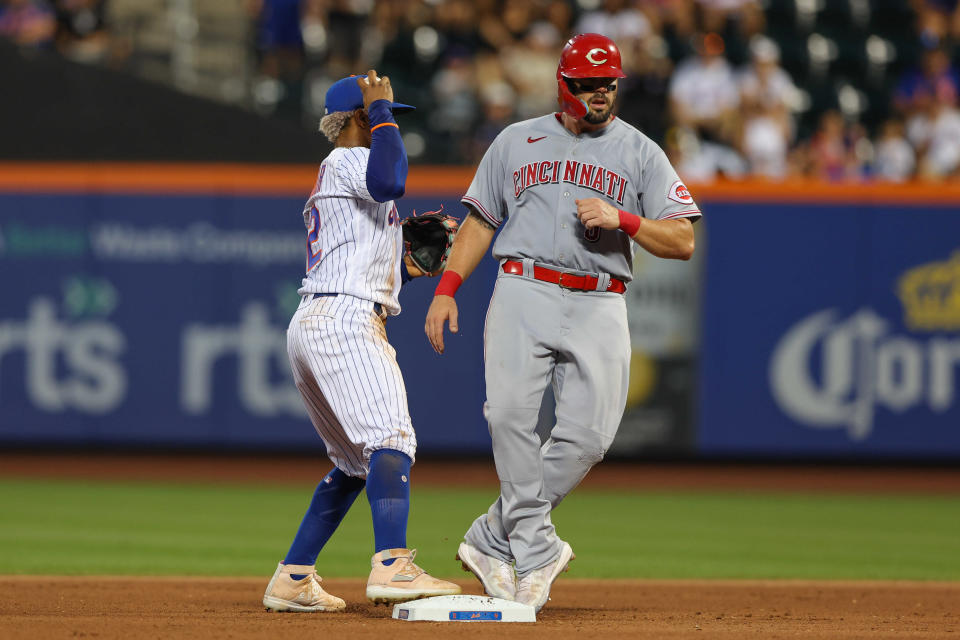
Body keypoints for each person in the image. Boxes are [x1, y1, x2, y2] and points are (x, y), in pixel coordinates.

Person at [424, 33, 700, 612]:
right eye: (588, 84)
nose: (601, 93)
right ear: (564, 84)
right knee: (508, 417)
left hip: (600, 299)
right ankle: (535, 548)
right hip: (523, 286)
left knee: (589, 437)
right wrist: (447, 289)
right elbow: (479, 222)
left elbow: (682, 238)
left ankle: (492, 537)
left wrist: (624, 219)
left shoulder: (641, 151)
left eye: (608, 83)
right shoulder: (515, 141)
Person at [262, 70, 461, 613]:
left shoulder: (347, 172)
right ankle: (393, 564)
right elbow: (391, 182)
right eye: (381, 116)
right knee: (393, 439)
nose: (391, 123)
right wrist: (380, 110)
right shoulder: (347, 159)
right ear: (358, 119)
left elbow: (369, 232)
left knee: (355, 465)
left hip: (322, 318)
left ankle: (292, 577)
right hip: (344, 320)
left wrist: (402, 267)